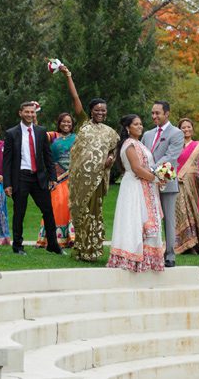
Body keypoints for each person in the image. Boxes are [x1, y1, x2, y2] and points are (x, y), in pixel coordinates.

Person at [64, 68, 119, 262]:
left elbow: (113, 151)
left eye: (103, 110)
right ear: (91, 111)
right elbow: (75, 98)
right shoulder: (83, 124)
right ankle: (80, 247)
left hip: (97, 180)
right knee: (80, 211)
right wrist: (69, 76)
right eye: (97, 110)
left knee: (95, 212)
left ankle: (93, 249)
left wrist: (110, 159)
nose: (101, 113)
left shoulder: (110, 132)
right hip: (81, 179)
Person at [107, 115, 165, 272]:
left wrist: (159, 175)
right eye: (136, 124)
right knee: (134, 220)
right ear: (128, 128)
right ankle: (131, 257)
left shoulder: (139, 143)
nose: (140, 126)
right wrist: (155, 179)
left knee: (144, 220)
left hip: (144, 185)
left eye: (141, 124)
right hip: (134, 187)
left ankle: (147, 259)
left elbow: (145, 166)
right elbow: (136, 168)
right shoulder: (129, 144)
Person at [3, 102, 63, 255]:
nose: (30, 115)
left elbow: (47, 156)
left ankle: (53, 245)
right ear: (20, 113)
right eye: (27, 112)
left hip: (39, 177)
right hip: (20, 177)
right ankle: (17, 246)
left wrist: (53, 177)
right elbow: (7, 161)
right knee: (19, 212)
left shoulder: (41, 131)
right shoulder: (11, 133)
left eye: (32, 112)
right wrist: (7, 184)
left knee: (48, 211)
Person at [36, 73, 77, 248]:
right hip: (56, 178)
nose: (66, 124)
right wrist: (34, 114)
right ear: (59, 123)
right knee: (56, 206)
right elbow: (37, 133)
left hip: (73, 178)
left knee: (70, 207)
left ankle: (71, 239)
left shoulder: (77, 137)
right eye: (63, 122)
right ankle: (51, 239)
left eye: (69, 122)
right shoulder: (52, 136)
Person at [141, 101, 184, 267]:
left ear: (167, 114)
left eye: (157, 113)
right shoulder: (148, 134)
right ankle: (149, 252)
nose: (154, 116)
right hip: (148, 184)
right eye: (152, 113)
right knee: (148, 218)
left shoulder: (177, 133)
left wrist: (149, 170)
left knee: (168, 221)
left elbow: (171, 156)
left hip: (166, 183)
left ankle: (170, 255)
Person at [173, 118, 199, 254]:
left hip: (193, 181)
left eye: (189, 127)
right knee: (182, 210)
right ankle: (187, 243)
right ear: (179, 130)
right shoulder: (175, 145)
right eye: (183, 127)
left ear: (192, 129)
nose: (186, 129)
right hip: (178, 180)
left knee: (193, 210)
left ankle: (196, 243)